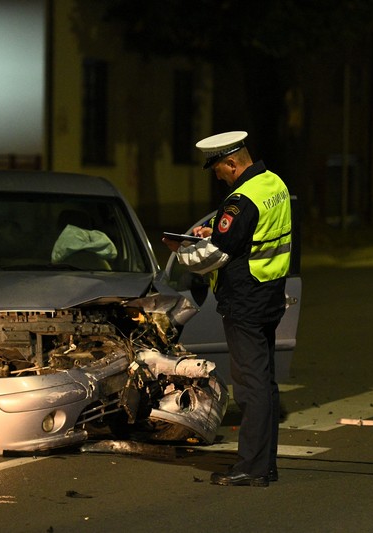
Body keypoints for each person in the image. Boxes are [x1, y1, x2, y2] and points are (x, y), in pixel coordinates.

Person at [162, 131, 292, 487]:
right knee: (265, 383)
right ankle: (266, 464)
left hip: (245, 301)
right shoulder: (273, 184)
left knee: (250, 388)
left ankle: (251, 468)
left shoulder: (241, 200)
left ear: (232, 163)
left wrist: (181, 250)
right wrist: (214, 232)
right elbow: (247, 236)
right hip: (269, 295)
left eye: (218, 169)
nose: (217, 176)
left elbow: (215, 255)